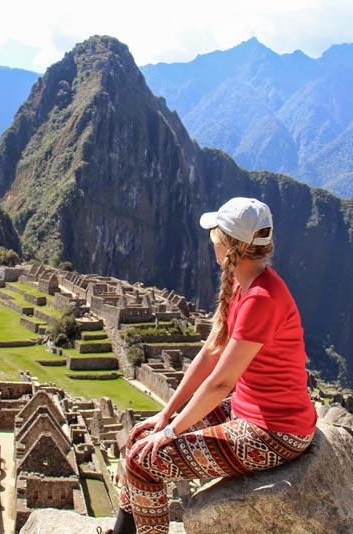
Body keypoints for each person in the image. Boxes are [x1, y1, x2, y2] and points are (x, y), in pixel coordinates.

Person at [110, 197, 318, 534]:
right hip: (245, 412)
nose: (211, 242)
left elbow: (221, 383)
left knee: (145, 462)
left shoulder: (261, 299)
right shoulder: (244, 284)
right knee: (141, 436)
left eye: (215, 235)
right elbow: (210, 353)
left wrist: (172, 432)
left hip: (275, 434)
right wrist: (166, 415)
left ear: (229, 244)